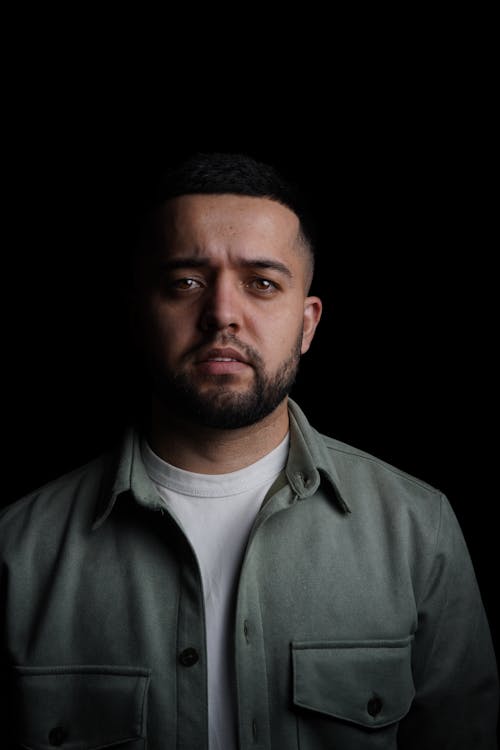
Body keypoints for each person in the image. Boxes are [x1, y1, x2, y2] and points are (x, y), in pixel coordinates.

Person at [0, 151, 497, 750]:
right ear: (137, 315)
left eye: (262, 284)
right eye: (185, 282)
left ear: (307, 324)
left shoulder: (420, 530)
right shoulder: (16, 550)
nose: (222, 315)